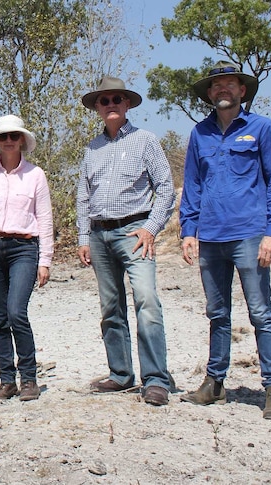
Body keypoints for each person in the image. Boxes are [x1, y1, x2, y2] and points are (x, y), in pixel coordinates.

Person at [179, 61, 271, 422]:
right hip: (210, 237)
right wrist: (187, 231)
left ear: (242, 91)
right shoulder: (200, 133)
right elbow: (193, 185)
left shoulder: (262, 128)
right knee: (217, 313)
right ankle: (215, 382)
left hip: (250, 235)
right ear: (210, 94)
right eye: (216, 86)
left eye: (230, 84)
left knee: (261, 313)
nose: (222, 89)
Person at [76, 76, 176, 406]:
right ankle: (120, 375)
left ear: (127, 103)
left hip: (134, 233)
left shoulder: (146, 141)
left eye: (116, 99)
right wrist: (83, 237)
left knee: (147, 301)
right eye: (104, 101)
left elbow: (165, 188)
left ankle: (156, 380)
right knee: (110, 306)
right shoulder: (92, 148)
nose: (110, 105)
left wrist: (151, 228)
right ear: (97, 108)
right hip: (100, 234)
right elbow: (83, 195)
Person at [0, 115, 53, 401]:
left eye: (13, 136)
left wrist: (45, 261)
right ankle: (7, 380)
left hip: (24, 249)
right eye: (3, 137)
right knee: (0, 318)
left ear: (22, 141)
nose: (8, 141)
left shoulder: (35, 175)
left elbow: (45, 219)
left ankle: (29, 378)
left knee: (17, 312)